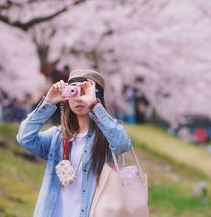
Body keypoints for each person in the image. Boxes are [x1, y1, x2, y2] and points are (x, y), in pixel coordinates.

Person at [17, 69, 131, 216]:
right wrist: (48, 102)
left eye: (84, 92)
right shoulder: (57, 137)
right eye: (74, 92)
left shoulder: (107, 136)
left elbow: (123, 144)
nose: (78, 99)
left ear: (97, 97)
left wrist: (94, 106)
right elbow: (24, 137)